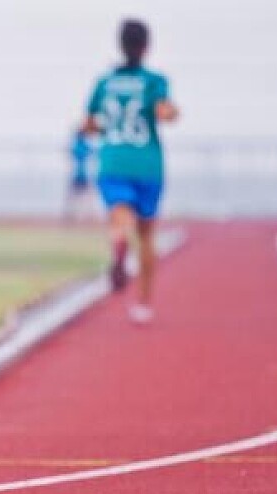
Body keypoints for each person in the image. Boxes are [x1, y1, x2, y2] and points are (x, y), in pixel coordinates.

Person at [83, 19, 179, 324]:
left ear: (120, 44)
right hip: (147, 163)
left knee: (119, 212)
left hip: (114, 159)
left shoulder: (105, 83)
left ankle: (120, 241)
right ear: (146, 47)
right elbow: (165, 112)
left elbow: (89, 124)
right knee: (148, 235)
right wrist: (170, 111)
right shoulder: (154, 82)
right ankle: (143, 304)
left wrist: (97, 128)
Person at [62, 128, 95, 223]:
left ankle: (72, 215)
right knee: (80, 197)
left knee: (74, 197)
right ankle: (80, 215)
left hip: (80, 175)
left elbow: (69, 151)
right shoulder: (82, 145)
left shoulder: (78, 145)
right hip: (80, 175)